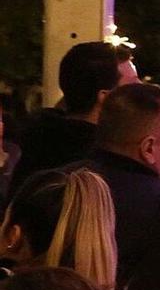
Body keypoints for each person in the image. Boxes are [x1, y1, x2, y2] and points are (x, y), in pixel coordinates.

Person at [12, 42, 137, 188]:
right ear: (105, 97)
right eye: (133, 85)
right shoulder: (104, 166)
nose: (143, 91)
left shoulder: (35, 147)